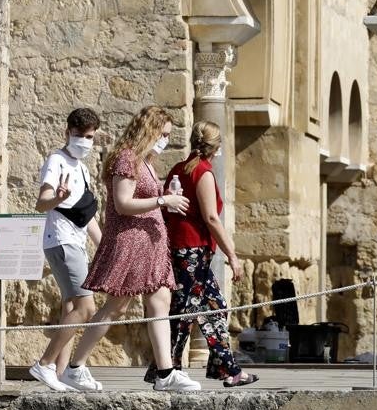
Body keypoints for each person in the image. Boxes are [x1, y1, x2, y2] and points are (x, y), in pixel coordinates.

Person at [57, 105, 202, 392]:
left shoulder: (146, 161)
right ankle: (75, 367)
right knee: (116, 306)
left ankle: (165, 373)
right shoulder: (127, 159)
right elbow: (123, 204)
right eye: (163, 133)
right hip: (131, 241)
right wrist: (163, 202)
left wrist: (167, 198)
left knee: (159, 301)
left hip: (150, 244)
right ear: (148, 130)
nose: (165, 140)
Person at [143, 120, 258, 387]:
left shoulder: (178, 170)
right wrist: (232, 255)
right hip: (192, 252)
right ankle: (166, 369)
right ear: (214, 147)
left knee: (215, 307)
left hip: (188, 251)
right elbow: (211, 217)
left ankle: (227, 370)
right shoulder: (202, 172)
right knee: (183, 312)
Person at [28, 108, 105, 392]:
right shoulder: (56, 160)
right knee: (87, 307)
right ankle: (45, 364)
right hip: (62, 241)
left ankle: (58, 376)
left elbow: (86, 217)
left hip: (76, 241)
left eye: (89, 136)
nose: (84, 141)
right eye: (79, 135)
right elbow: (42, 202)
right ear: (67, 132)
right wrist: (56, 197)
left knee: (71, 308)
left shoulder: (82, 168)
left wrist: (105, 246)